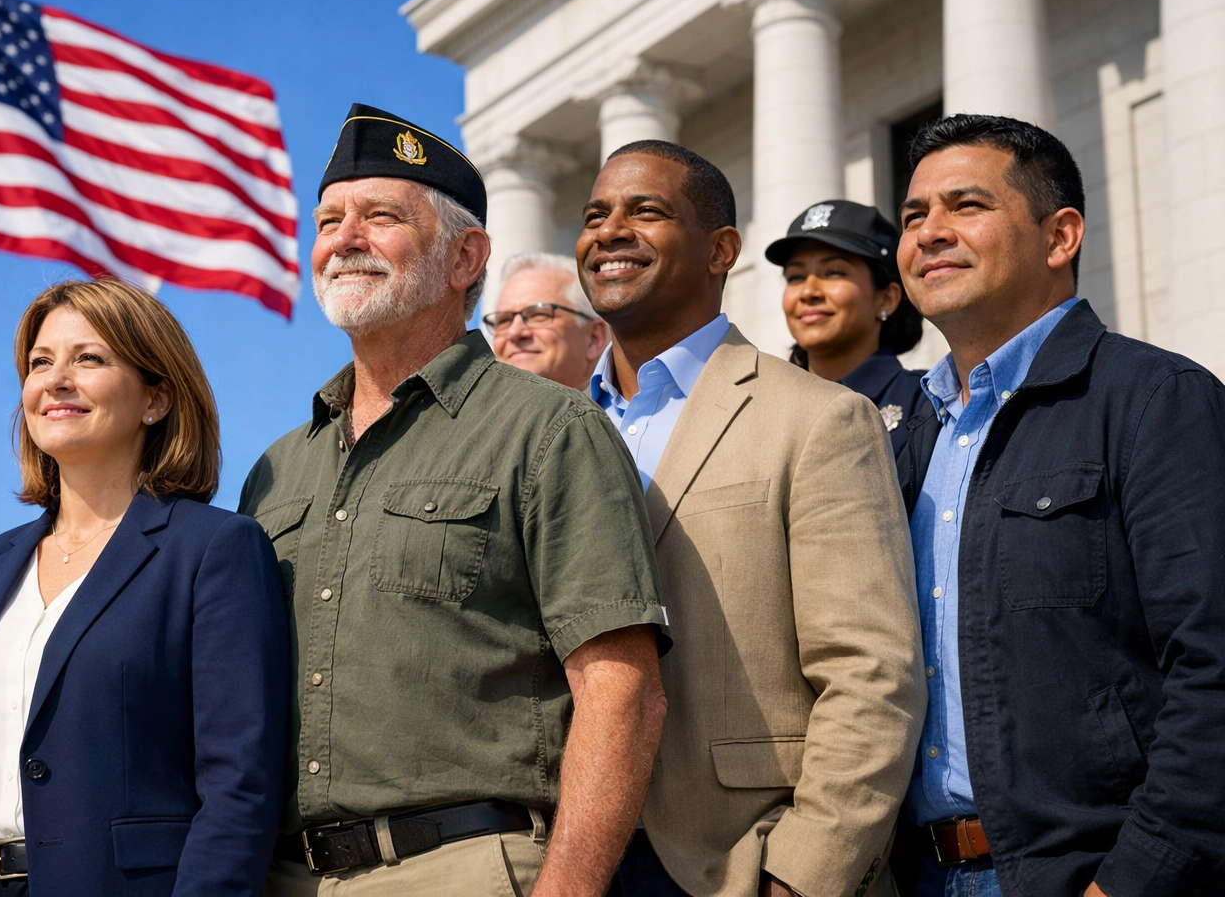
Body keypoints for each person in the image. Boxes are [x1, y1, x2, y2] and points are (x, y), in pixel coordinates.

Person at [239, 103, 669, 897]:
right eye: (329, 219)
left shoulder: (549, 430)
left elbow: (622, 691)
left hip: (464, 869)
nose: (344, 239)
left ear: (466, 256)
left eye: (379, 217)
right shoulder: (273, 471)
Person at [577, 139, 926, 897]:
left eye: (645, 211)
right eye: (595, 214)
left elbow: (871, 673)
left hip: (741, 863)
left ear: (720, 250)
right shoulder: (551, 432)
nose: (607, 230)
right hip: (574, 859)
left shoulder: (821, 419)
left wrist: (801, 877)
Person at [890, 114, 1225, 897]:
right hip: (920, 875)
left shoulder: (1152, 400)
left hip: (1091, 875)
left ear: (1060, 235)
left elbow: (1213, 666)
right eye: (914, 216)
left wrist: (1136, 880)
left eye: (965, 206)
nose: (930, 232)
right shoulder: (906, 436)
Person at [0, 279, 289, 897]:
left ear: (156, 399)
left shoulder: (213, 549)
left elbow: (239, 783)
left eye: (89, 359)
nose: (55, 379)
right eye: (40, 362)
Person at [765, 199, 931, 454]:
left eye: (833, 272)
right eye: (795, 277)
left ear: (886, 298)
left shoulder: (926, 404)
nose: (808, 291)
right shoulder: (765, 409)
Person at [485, 251, 609, 389]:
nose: (514, 332)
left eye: (539, 315)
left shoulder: (629, 408)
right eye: (504, 321)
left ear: (593, 338)